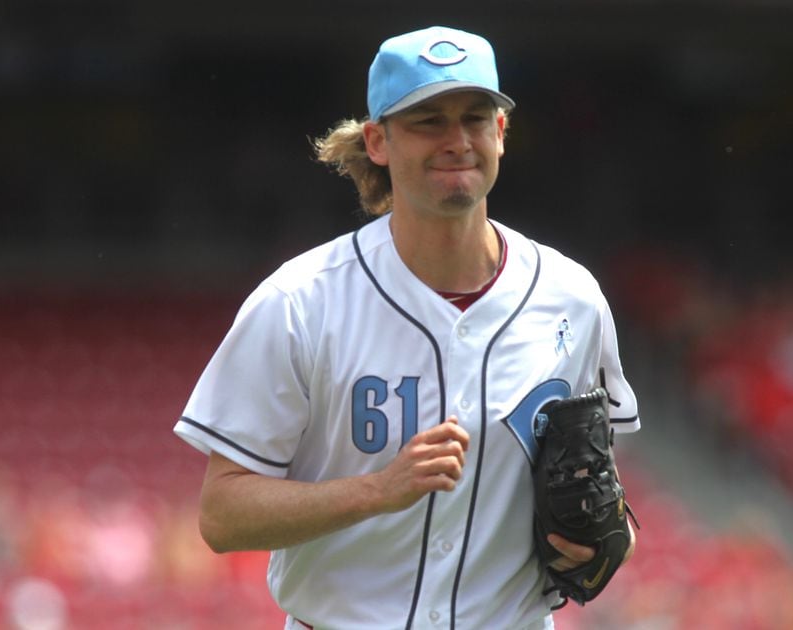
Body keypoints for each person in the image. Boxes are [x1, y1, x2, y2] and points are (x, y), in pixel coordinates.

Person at [174, 25, 641, 629]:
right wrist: (377, 489)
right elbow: (222, 515)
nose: (457, 140)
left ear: (501, 134)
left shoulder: (571, 299)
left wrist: (611, 534)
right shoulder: (300, 301)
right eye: (428, 121)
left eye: (475, 118)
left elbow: (605, 490)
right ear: (377, 141)